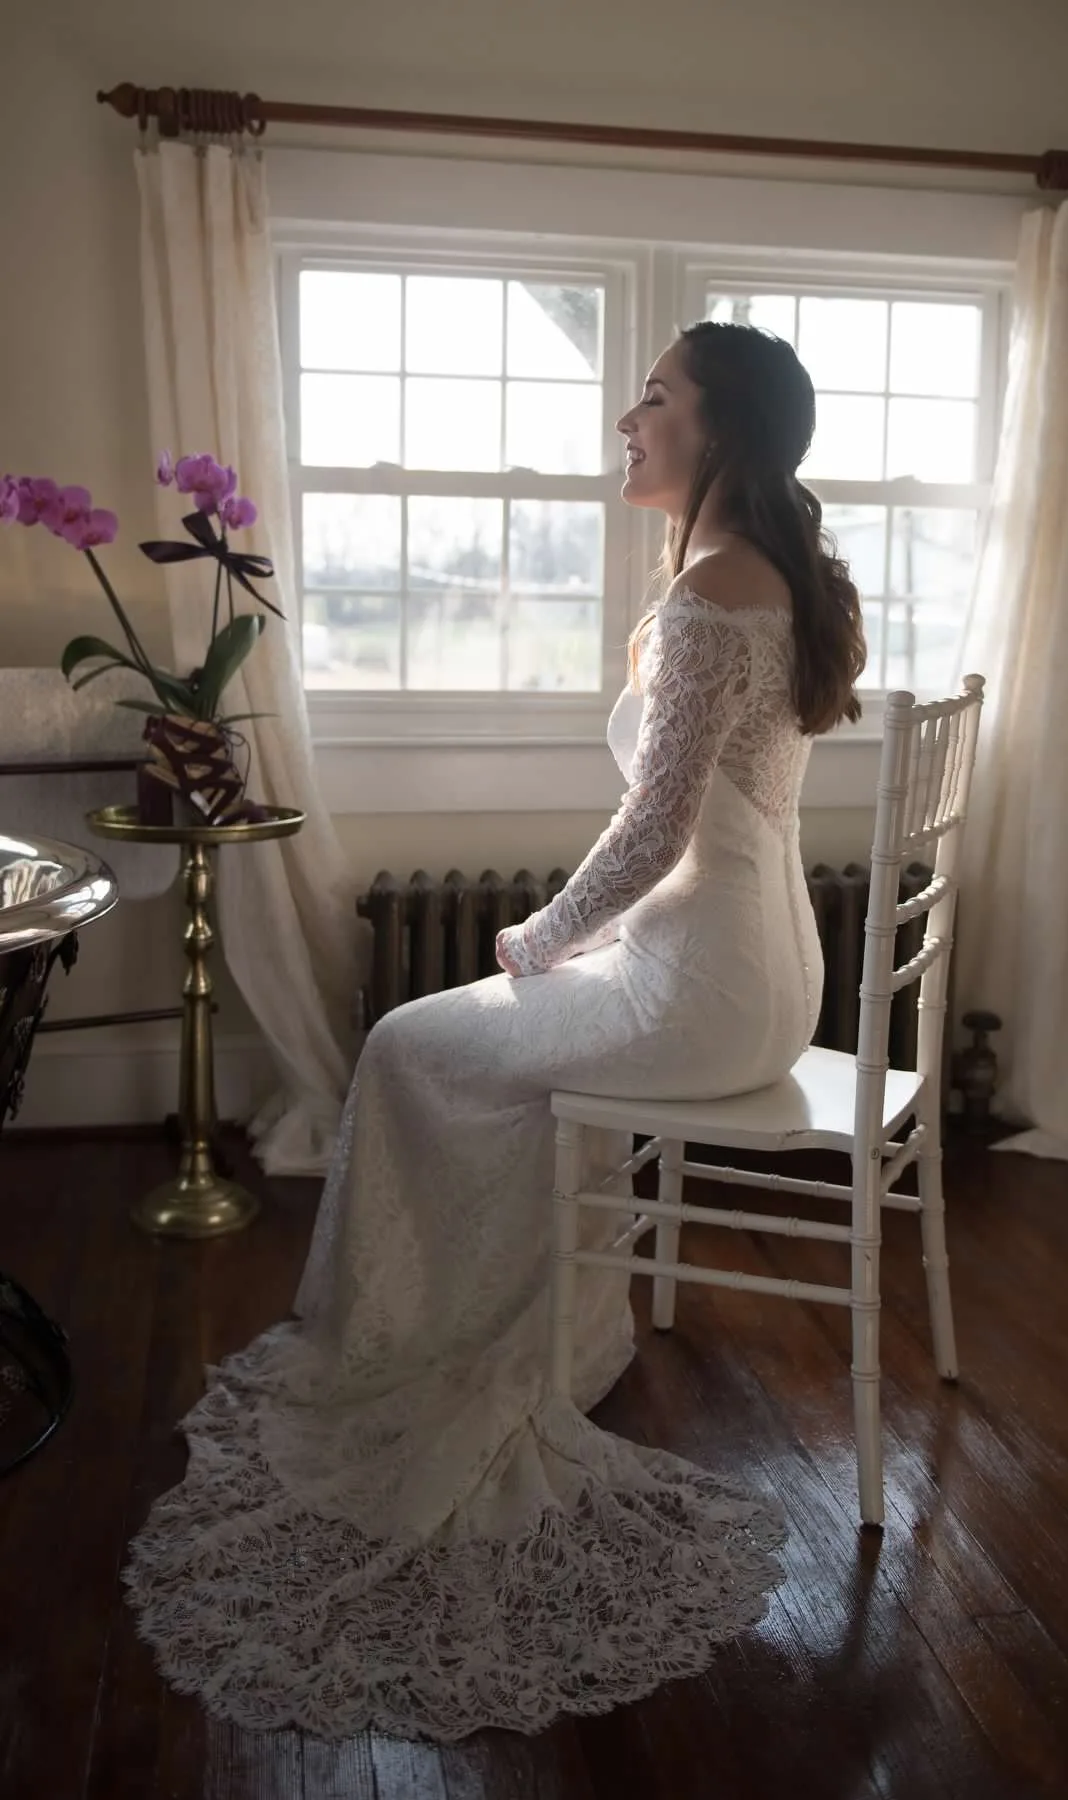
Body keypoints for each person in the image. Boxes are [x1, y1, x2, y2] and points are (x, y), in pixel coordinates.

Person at [123, 321, 866, 1742]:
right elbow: (684, 828)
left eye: (654, 397)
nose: (627, 420)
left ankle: (446, 1342)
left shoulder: (713, 592)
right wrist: (577, 940)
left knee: (406, 1048)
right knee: (475, 1056)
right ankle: (549, 1320)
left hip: (699, 989)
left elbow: (654, 832)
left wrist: (539, 939)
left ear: (719, 429)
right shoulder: (761, 574)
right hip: (757, 974)